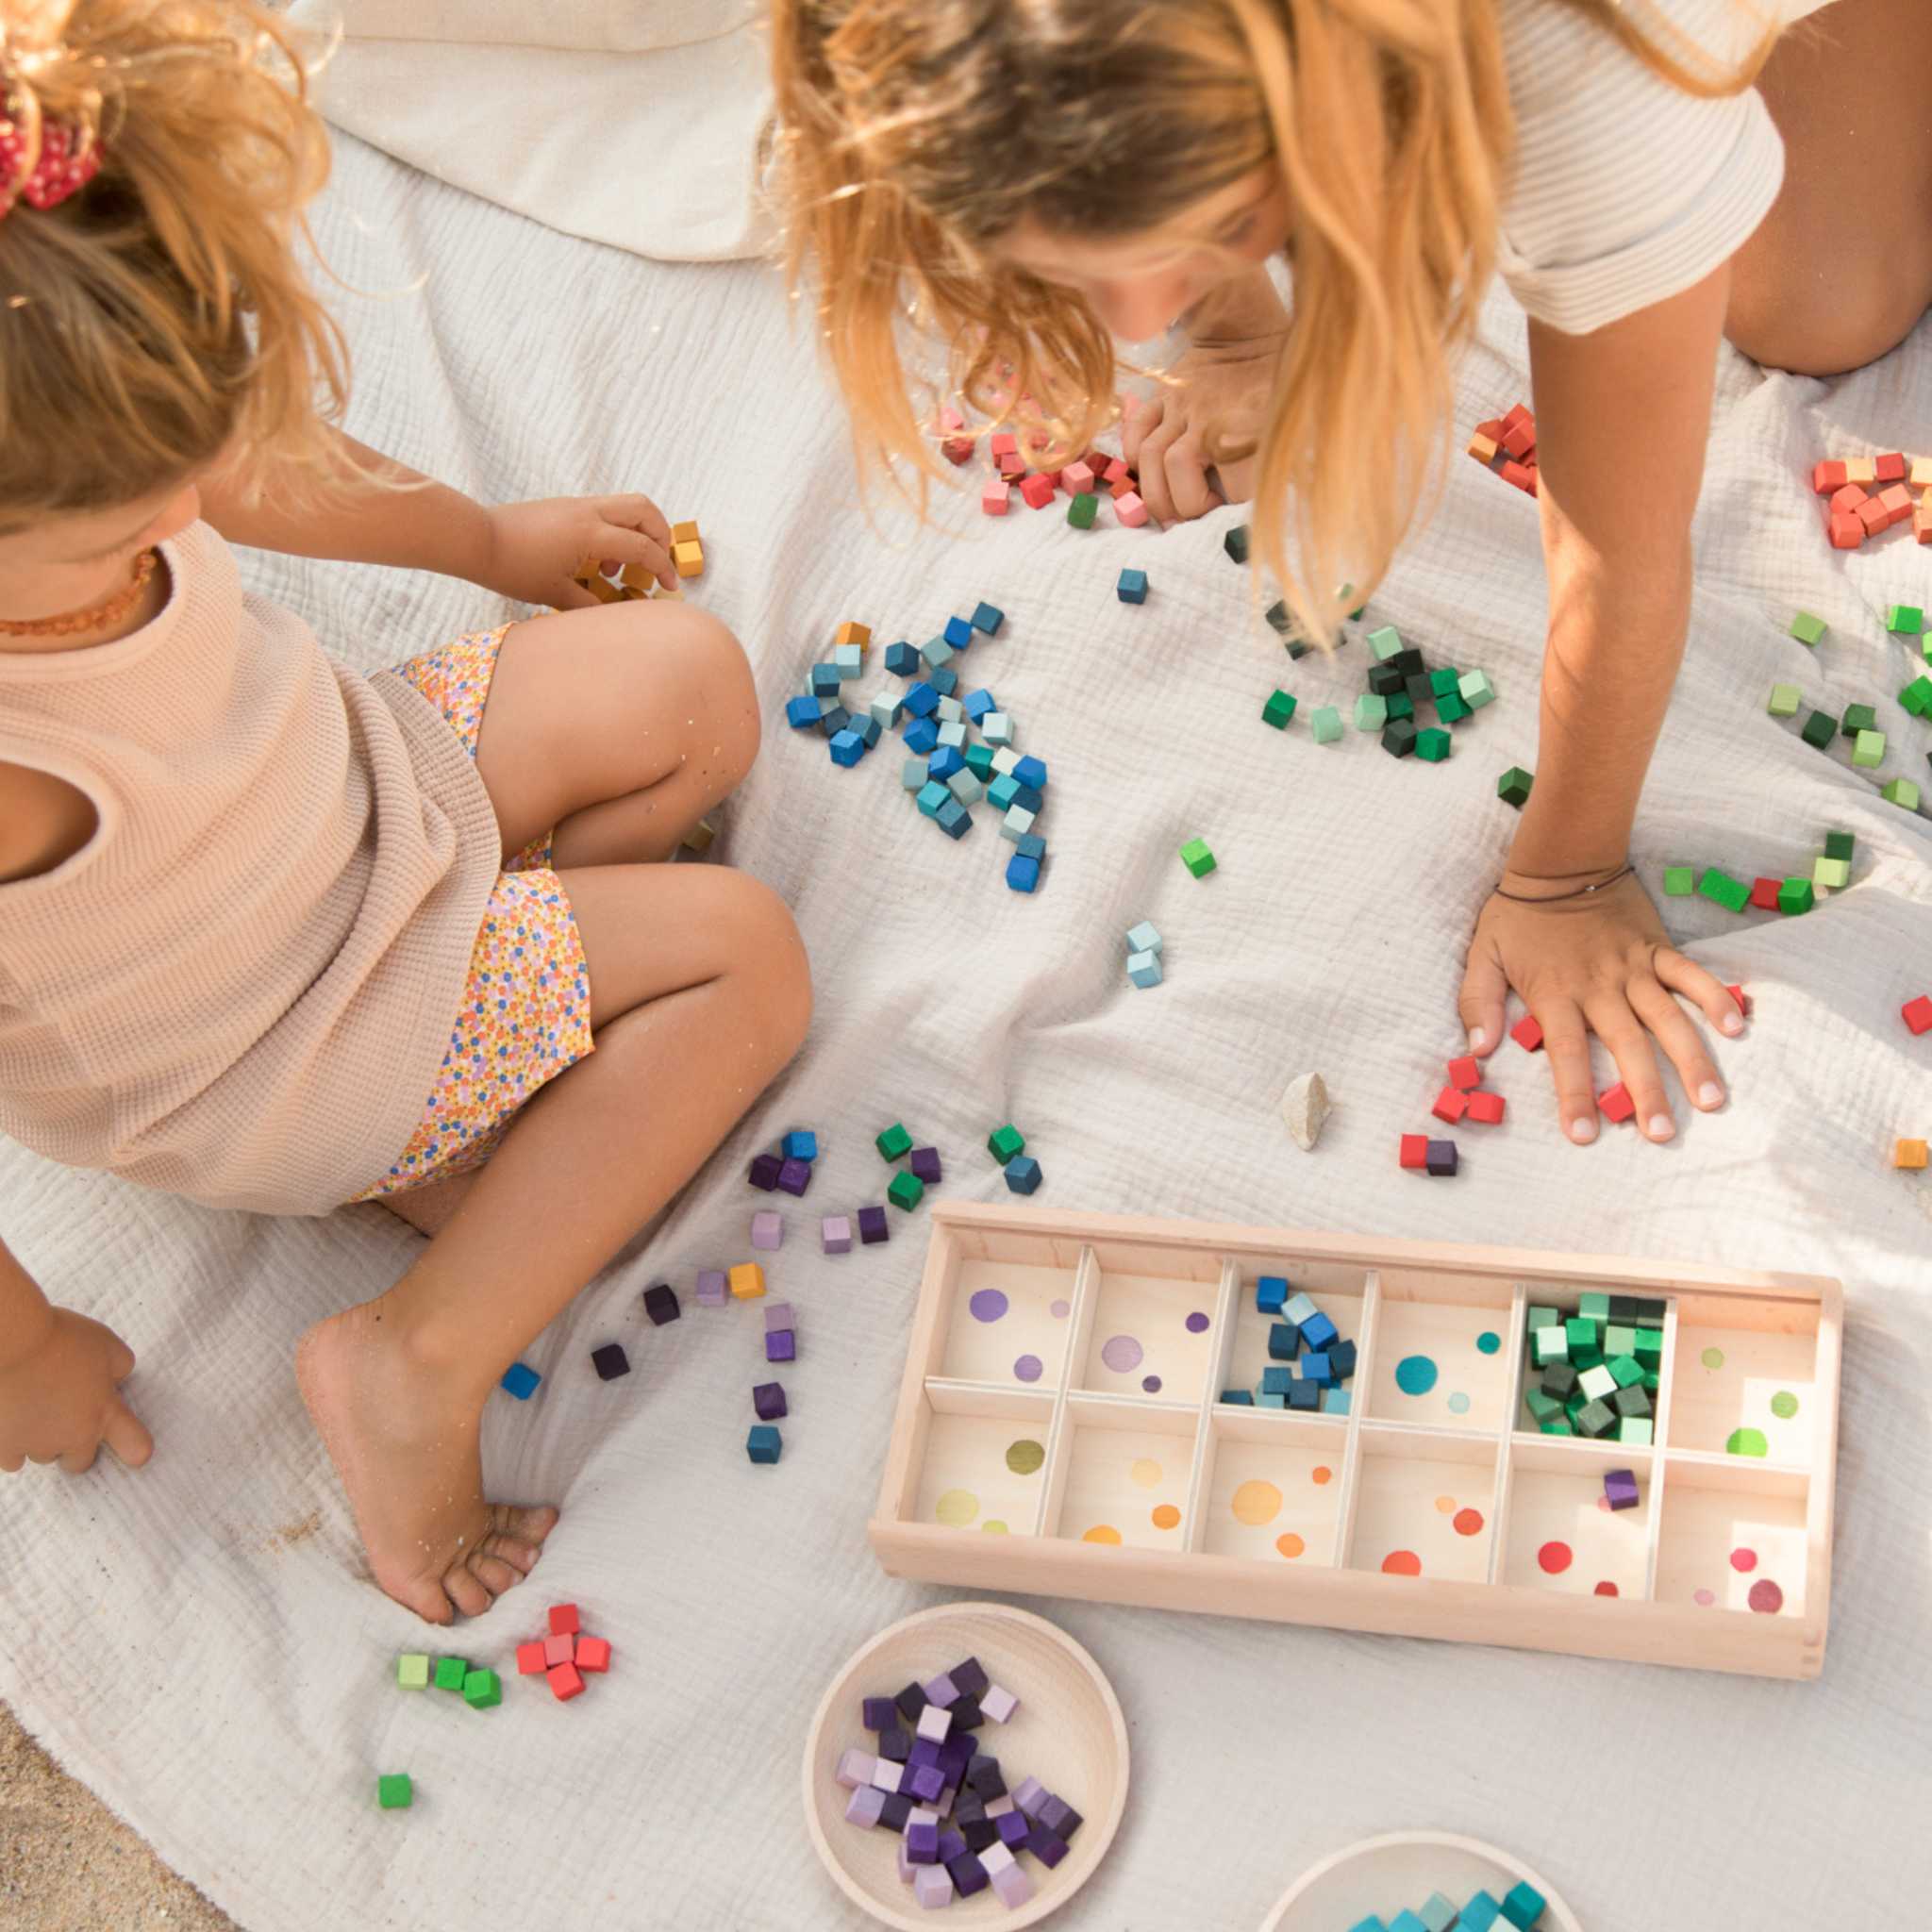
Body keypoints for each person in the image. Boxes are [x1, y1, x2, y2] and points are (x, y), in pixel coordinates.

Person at [0, 0, 811, 1625]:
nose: (187, 508)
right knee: (744, 956)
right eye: (126, 530)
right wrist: (23, 1353)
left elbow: (255, 469)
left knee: (686, 681)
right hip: (280, 1036)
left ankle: (496, 1083)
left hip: (358, 794)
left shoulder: (94, 408)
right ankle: (414, 1357)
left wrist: (489, 544)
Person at [770, 0, 1911, 1145]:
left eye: (1219, 222)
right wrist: (1228, 321)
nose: (1137, 317)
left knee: (1820, 311)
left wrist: (1564, 871)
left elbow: (1618, 541)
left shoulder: (1582, 88)